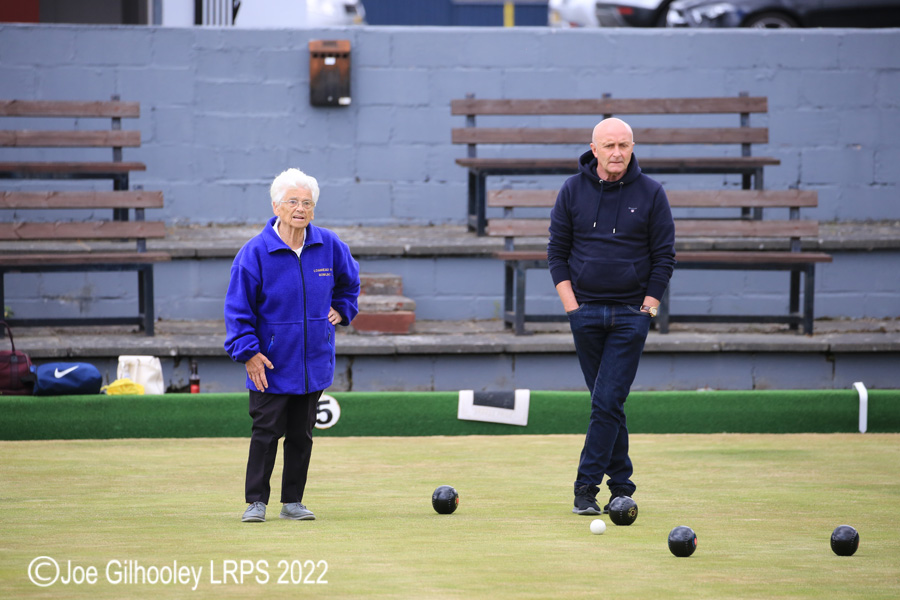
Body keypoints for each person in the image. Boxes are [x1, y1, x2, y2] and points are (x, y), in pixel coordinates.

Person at [547, 118, 676, 516]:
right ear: (594, 148)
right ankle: (622, 485)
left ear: (633, 147)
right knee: (609, 404)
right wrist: (572, 308)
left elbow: (664, 258)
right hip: (584, 313)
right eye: (609, 146)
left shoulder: (652, 193)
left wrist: (647, 310)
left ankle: (585, 489)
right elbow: (556, 253)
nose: (617, 152)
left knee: (605, 403)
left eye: (624, 145)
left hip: (629, 316)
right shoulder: (572, 190)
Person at [225, 168, 360, 523]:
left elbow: (350, 282)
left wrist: (342, 309)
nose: (300, 208)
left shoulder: (329, 245)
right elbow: (238, 309)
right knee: (266, 432)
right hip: (269, 363)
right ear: (276, 205)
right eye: (293, 202)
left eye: (307, 203)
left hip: (313, 361)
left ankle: (293, 502)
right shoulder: (253, 253)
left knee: (302, 435)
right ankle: (256, 502)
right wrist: (249, 353)